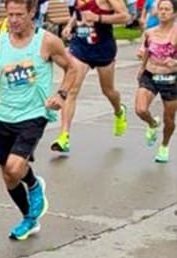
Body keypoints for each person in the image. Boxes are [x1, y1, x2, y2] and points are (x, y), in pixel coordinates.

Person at [0, 0, 79, 240]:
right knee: (8, 175)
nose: (14, 20)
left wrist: (61, 95)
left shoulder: (47, 41)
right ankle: (29, 217)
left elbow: (72, 68)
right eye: (10, 14)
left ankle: (33, 184)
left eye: (19, 14)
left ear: (32, 12)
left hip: (34, 114)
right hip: (4, 114)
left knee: (15, 167)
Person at [50, 0, 130, 154]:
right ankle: (64, 137)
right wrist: (69, 25)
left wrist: (98, 18)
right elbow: (79, 12)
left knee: (108, 90)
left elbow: (126, 17)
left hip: (102, 49)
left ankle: (119, 111)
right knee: (71, 90)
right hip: (80, 47)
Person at [134, 0, 176, 163]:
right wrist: (141, 67)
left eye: (167, 9)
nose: (163, 12)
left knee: (169, 119)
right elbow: (146, 50)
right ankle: (152, 123)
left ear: (174, 13)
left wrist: (175, 62)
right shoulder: (150, 32)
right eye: (161, 9)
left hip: (171, 79)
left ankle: (164, 146)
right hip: (150, 75)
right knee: (140, 109)